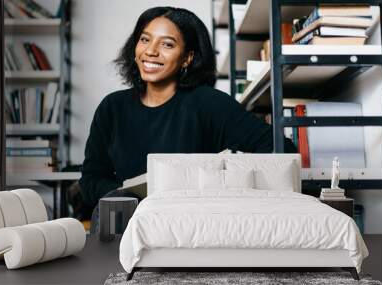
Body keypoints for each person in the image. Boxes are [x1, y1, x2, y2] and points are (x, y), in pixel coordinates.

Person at [79, 6, 295, 232]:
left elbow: (281, 150)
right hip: (128, 227)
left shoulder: (208, 103)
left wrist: (225, 184)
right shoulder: (112, 107)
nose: (151, 51)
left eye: (167, 44)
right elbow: (91, 179)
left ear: (187, 58)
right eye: (145, 40)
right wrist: (129, 198)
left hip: (190, 228)